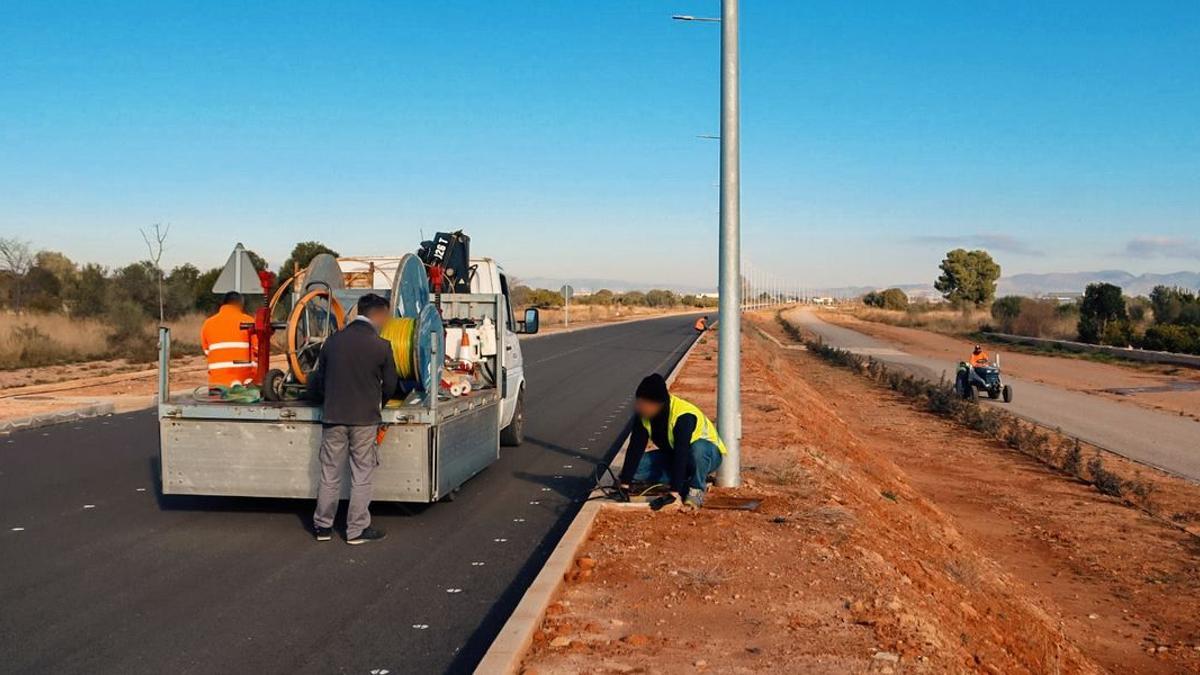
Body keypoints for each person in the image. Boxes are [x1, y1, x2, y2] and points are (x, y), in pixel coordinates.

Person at [307, 293, 399, 545]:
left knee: (329, 473)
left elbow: (318, 379)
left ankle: (323, 527)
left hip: (333, 417)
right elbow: (391, 384)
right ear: (378, 314)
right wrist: (379, 402)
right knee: (362, 474)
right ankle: (356, 530)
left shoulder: (333, 342)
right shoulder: (381, 345)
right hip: (365, 420)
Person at [618, 373, 726, 510]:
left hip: (706, 455)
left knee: (698, 449)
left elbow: (682, 452)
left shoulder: (683, 415)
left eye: (643, 403)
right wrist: (624, 485)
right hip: (673, 454)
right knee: (638, 467)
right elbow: (635, 447)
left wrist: (674, 493)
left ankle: (696, 489)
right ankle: (685, 479)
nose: (639, 407)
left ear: (657, 404)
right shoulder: (643, 416)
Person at [200, 291, 259, 388]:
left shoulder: (208, 324)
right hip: (245, 382)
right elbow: (259, 350)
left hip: (217, 384)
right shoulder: (249, 321)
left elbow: (207, 352)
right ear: (240, 304)